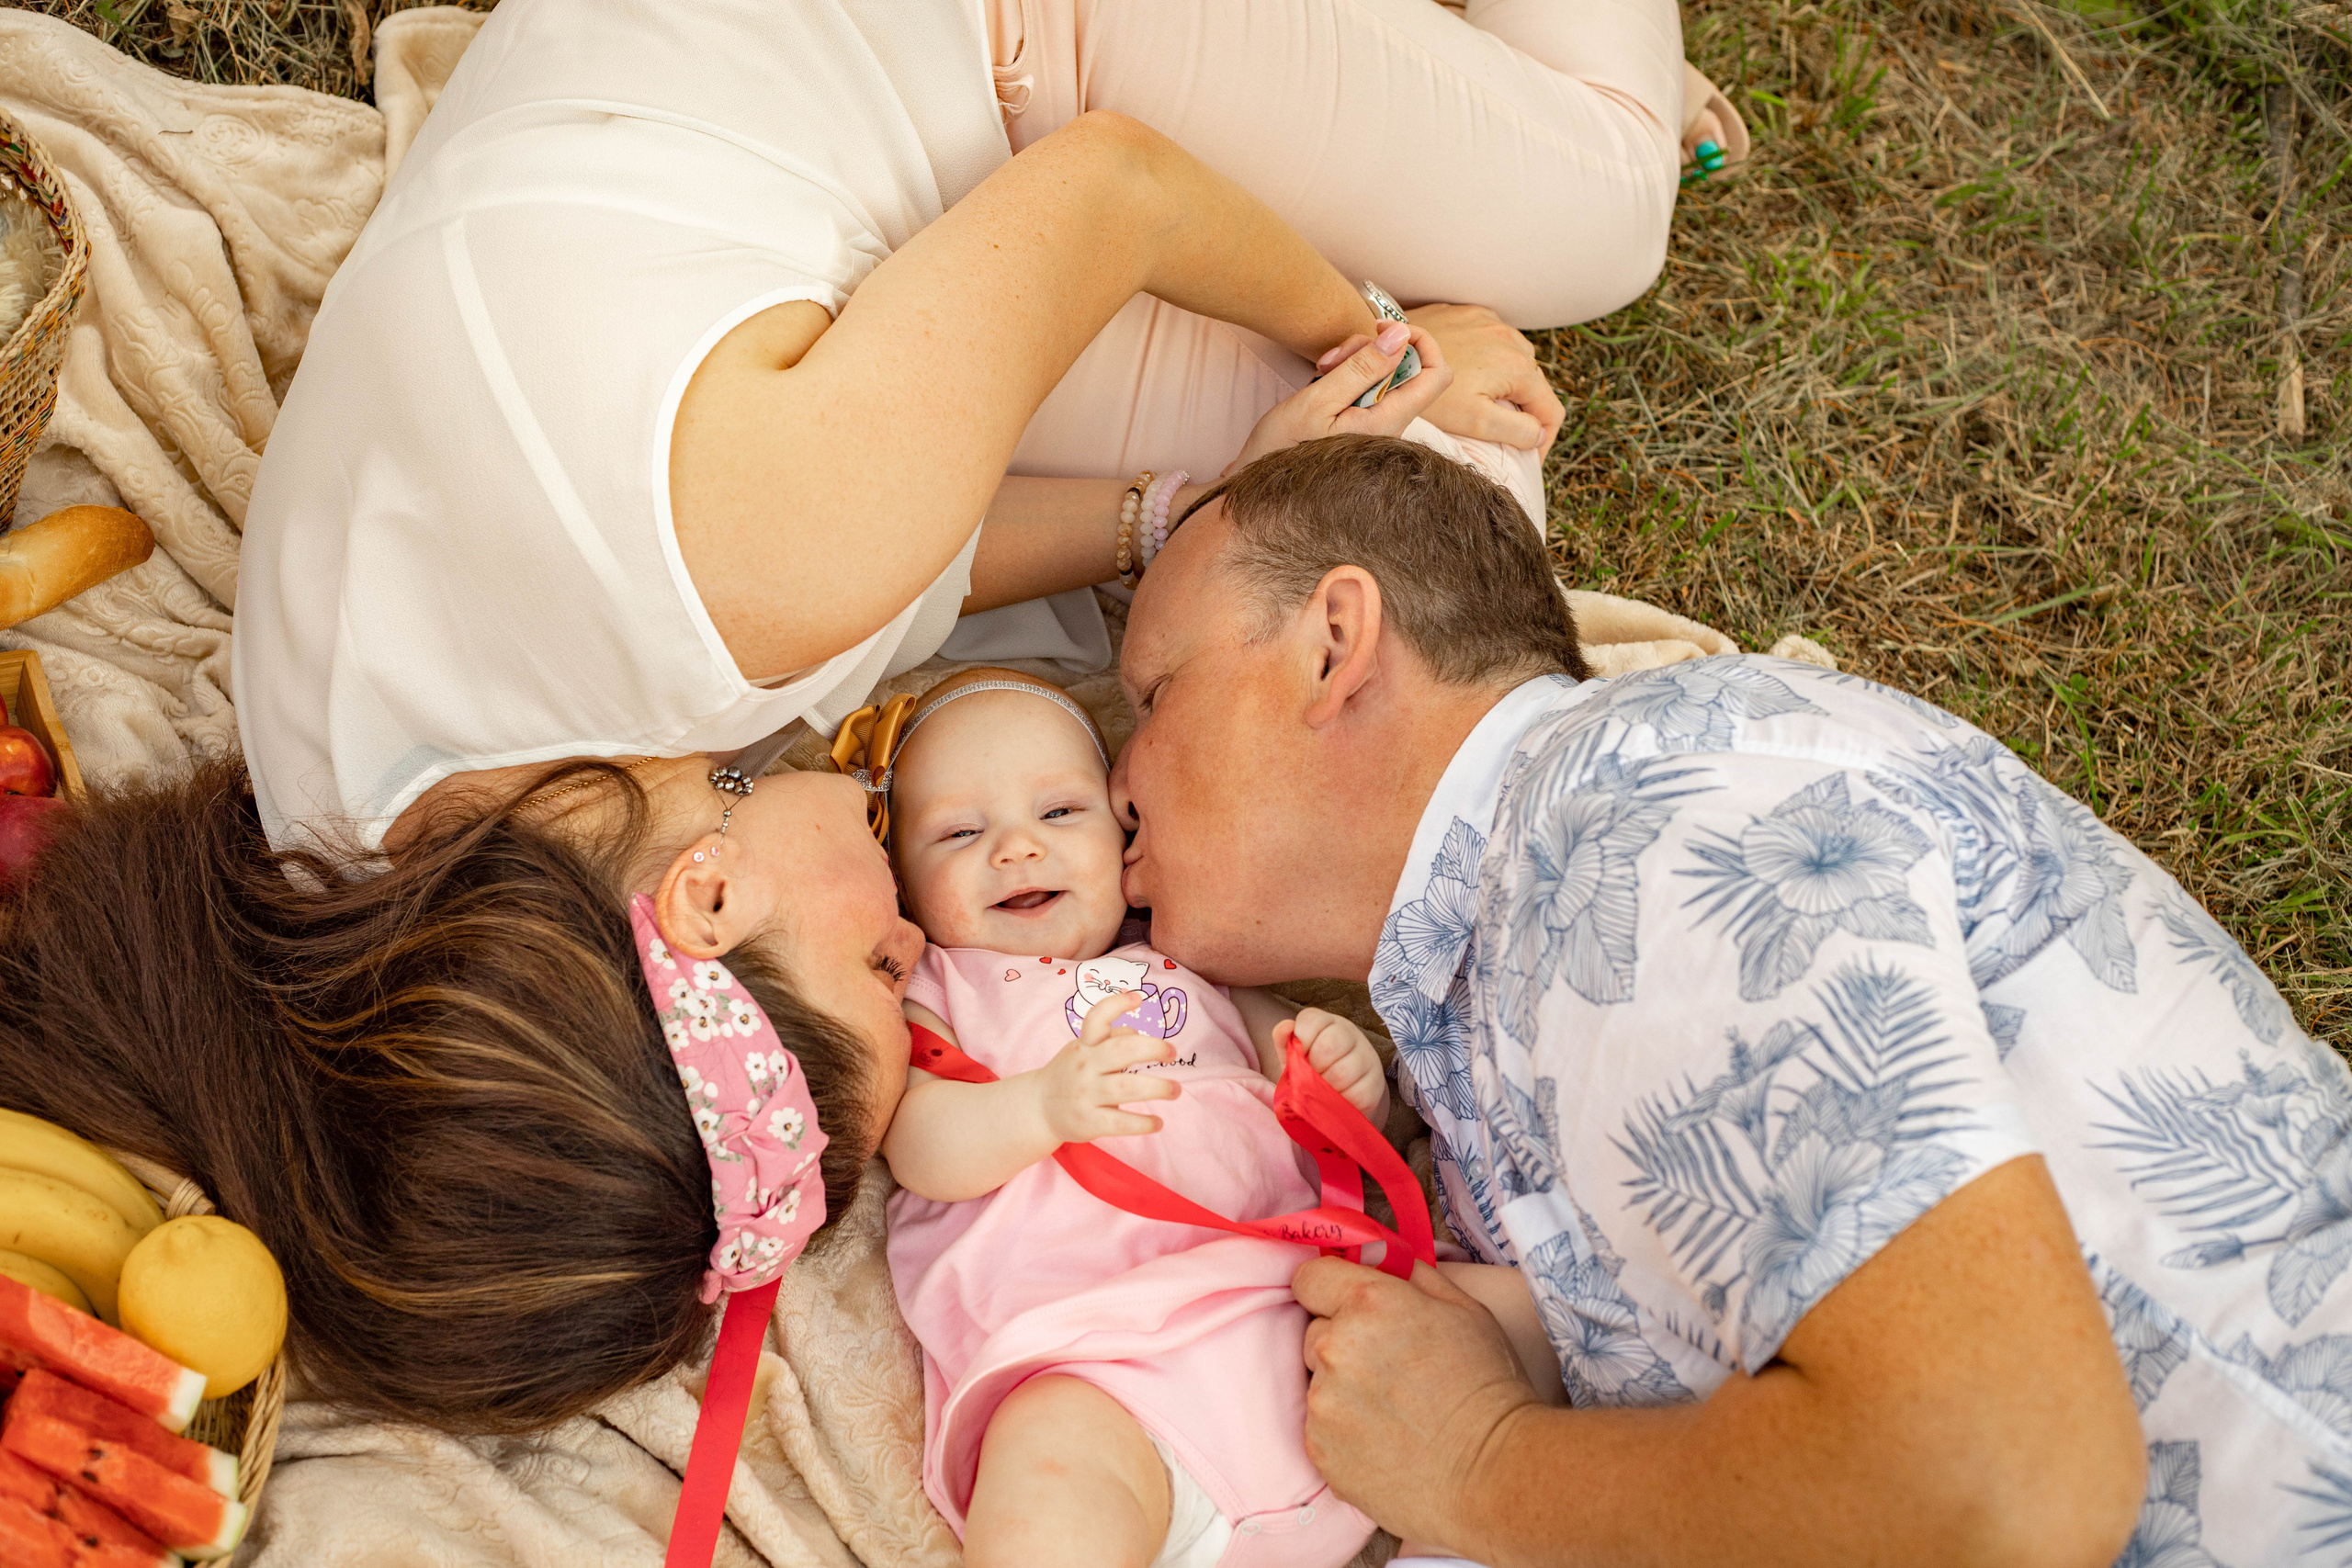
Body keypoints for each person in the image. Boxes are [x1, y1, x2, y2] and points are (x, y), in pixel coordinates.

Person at [0, 0, 1705, 1436]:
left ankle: (1536, 135)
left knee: (1563, 276)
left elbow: (1108, 194)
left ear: (708, 904)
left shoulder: (759, 570)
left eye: (882, 974)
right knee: (1343, 473)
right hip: (819, 214)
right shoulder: (372, 845)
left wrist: (1383, 345)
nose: (923, 931)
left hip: (1021, 49)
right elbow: (904, 526)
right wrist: (1162, 510)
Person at [1109, 431, 2352, 1568]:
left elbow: (1999, 1480)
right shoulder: (1511, 949)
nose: (1109, 779)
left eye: (1153, 697)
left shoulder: (1627, 819)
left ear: (1333, 641)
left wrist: (1479, 1459)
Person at [872, 668, 1561, 1568]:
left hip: (1308, 1326)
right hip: (1097, 1361)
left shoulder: (1186, 959)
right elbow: (920, 1145)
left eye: (1060, 814)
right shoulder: (946, 989)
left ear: (1123, 842)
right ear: (906, 891)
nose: (1017, 849)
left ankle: (1449, 1544)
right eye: (961, 832)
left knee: (1513, 1314)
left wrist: (1351, 1084)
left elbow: (1318, 1100)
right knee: (1043, 1474)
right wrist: (1039, 1106)